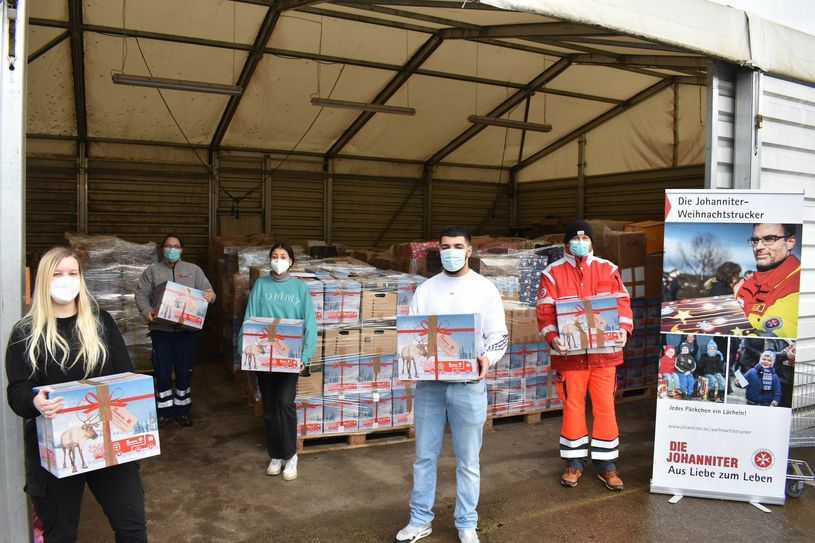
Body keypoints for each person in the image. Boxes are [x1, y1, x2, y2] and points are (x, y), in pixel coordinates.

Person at [5, 247, 147, 542]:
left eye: (73, 273)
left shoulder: (101, 323)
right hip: (52, 452)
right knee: (61, 534)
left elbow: (125, 377)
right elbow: (17, 392)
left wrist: (133, 416)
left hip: (108, 443)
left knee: (132, 529)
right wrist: (35, 401)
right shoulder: (25, 333)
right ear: (43, 280)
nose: (66, 280)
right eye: (57, 274)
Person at [396, 226, 508, 543]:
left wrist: (487, 359)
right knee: (424, 457)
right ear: (439, 250)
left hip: (468, 386)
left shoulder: (484, 289)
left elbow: (498, 336)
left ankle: (467, 523)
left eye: (458, 246)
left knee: (468, 460)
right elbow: (413, 333)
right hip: (430, 387)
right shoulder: (426, 290)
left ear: (469, 250)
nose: (451, 251)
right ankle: (419, 519)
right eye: (446, 246)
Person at [536, 220, 633, 491]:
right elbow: (544, 311)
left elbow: (622, 303)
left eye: (586, 239)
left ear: (592, 243)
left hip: (605, 355)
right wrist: (553, 338)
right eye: (576, 240)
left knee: (605, 407)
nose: (581, 243)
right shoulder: (552, 273)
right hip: (571, 356)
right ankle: (574, 462)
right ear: (566, 244)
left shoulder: (608, 269)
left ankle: (607, 465)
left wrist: (624, 329)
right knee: (573, 406)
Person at [242, 242, 317, 481]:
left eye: (283, 256)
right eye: (274, 256)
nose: (278, 260)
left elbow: (310, 324)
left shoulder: (299, 288)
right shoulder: (260, 286)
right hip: (264, 357)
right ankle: (275, 454)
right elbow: (249, 318)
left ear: (291, 261)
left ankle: (290, 454)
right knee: (270, 404)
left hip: (289, 356)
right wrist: (245, 351)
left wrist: (305, 356)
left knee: (285, 403)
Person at [135, 234, 215, 427]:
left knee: (184, 371)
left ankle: (183, 411)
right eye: (168, 246)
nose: (172, 249)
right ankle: (164, 412)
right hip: (160, 330)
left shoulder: (193, 270)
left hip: (186, 332)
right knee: (162, 371)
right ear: (163, 249)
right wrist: (146, 312)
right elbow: (141, 294)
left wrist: (210, 296)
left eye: (176, 246)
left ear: (182, 250)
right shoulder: (152, 271)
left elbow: (209, 293)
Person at [735, 223, 801, 338]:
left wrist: (733, 309)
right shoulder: (748, 283)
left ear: (790, 242)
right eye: (755, 240)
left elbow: (771, 339)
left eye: (769, 239)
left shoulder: (797, 285)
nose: (758, 247)